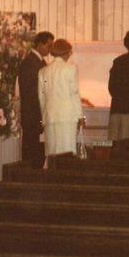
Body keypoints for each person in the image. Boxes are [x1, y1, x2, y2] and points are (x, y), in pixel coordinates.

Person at [38, 39, 84, 167]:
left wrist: (44, 117)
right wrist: (80, 116)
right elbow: (74, 94)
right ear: (66, 52)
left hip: (50, 116)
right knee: (67, 152)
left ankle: (50, 179)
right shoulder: (71, 68)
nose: (70, 54)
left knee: (51, 152)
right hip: (67, 116)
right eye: (70, 52)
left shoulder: (43, 71)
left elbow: (41, 98)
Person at [18, 31, 54, 168]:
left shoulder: (38, 61)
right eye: (48, 46)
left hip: (36, 116)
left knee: (37, 155)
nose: (50, 50)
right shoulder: (30, 63)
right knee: (32, 157)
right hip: (32, 116)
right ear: (39, 44)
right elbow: (32, 93)